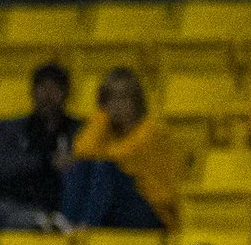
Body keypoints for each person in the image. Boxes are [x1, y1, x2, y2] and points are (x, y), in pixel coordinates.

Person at [0, 60, 81, 232]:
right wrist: (46, 161)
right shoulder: (7, 128)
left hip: (40, 207)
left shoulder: (78, 132)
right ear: (32, 92)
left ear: (66, 93)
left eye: (55, 88)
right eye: (42, 87)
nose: (48, 95)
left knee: (26, 223)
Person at [59, 67, 178, 231]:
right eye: (110, 99)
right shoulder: (107, 129)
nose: (116, 105)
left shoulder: (152, 130)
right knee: (81, 167)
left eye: (123, 98)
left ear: (136, 101)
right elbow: (82, 151)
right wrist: (103, 117)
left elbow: (121, 157)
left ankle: (85, 230)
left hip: (154, 211)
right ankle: (67, 228)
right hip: (118, 206)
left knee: (104, 168)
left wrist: (89, 154)